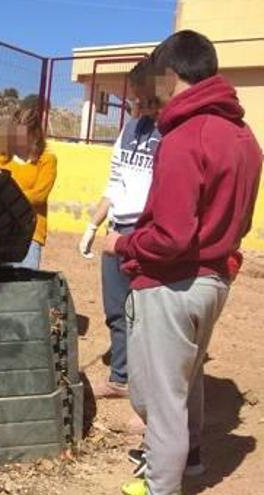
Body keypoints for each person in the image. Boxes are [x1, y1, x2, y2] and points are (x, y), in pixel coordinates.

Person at [103, 30, 262, 495]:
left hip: (172, 284)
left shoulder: (185, 134)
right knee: (187, 380)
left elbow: (170, 238)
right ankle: (190, 460)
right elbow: (242, 221)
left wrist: (123, 245)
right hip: (214, 281)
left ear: (170, 75)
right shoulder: (244, 136)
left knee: (159, 400)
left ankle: (160, 486)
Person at [79, 59, 162, 404]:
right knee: (116, 309)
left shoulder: (171, 133)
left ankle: (149, 387)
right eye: (135, 100)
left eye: (146, 101)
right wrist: (92, 223)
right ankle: (120, 378)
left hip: (146, 231)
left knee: (146, 312)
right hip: (116, 230)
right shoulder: (129, 130)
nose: (139, 107)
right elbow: (114, 183)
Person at [0, 105, 57, 269]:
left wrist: (8, 195)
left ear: (35, 134)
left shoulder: (47, 160)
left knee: (24, 287)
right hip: (1, 231)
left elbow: (38, 196)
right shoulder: (3, 159)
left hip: (31, 233)